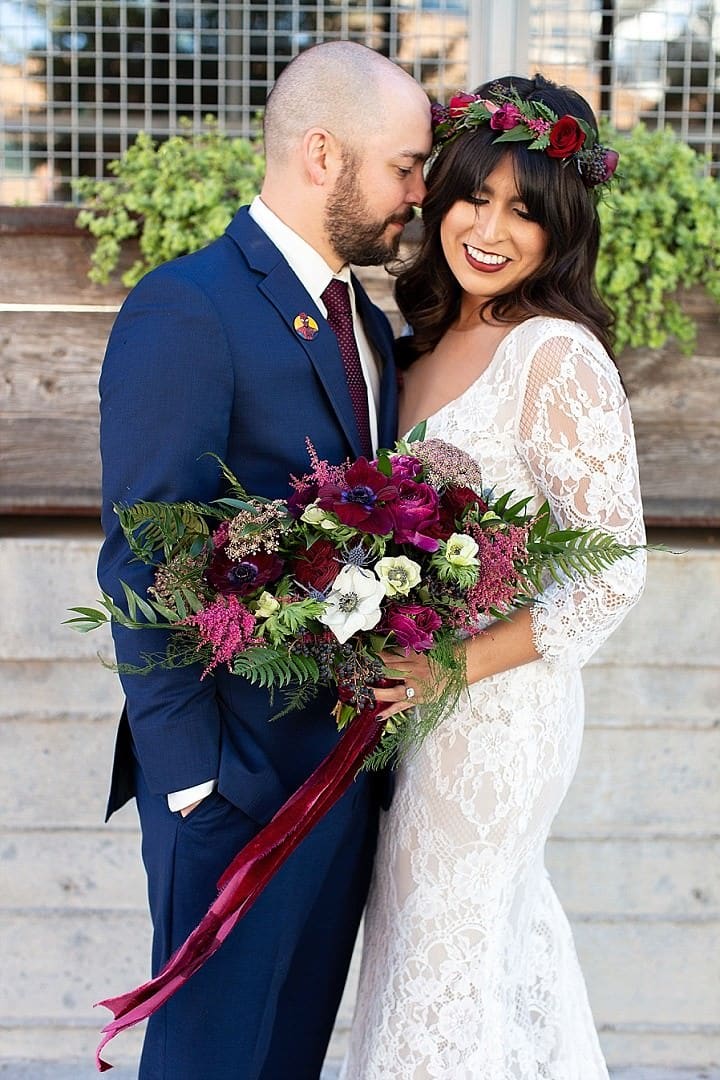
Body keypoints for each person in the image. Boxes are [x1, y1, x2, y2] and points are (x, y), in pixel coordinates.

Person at [97, 41, 431, 1080]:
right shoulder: (189, 307)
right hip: (235, 790)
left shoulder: (365, 323)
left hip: (340, 780)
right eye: (406, 168)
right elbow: (147, 556)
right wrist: (195, 784)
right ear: (323, 154)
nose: (419, 197)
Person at [341, 74, 647, 1079]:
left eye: (526, 211)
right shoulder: (420, 341)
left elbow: (612, 570)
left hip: (494, 710)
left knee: (449, 953)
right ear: (437, 196)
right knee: (443, 952)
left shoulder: (553, 355)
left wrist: (452, 671)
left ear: (563, 231)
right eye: (474, 195)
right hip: (411, 710)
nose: (490, 227)